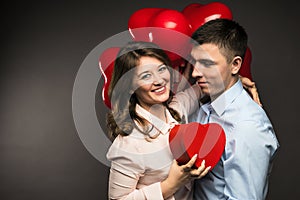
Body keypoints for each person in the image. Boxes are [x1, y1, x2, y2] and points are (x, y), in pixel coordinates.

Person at [106, 41, 211, 200]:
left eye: (162, 69)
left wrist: (236, 79)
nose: (159, 80)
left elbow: (199, 90)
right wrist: (170, 185)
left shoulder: (177, 108)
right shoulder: (129, 144)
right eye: (146, 75)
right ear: (129, 86)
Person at [189, 18, 280, 199]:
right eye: (194, 62)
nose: (194, 73)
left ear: (236, 65)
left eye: (207, 64)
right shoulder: (205, 106)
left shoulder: (247, 127)